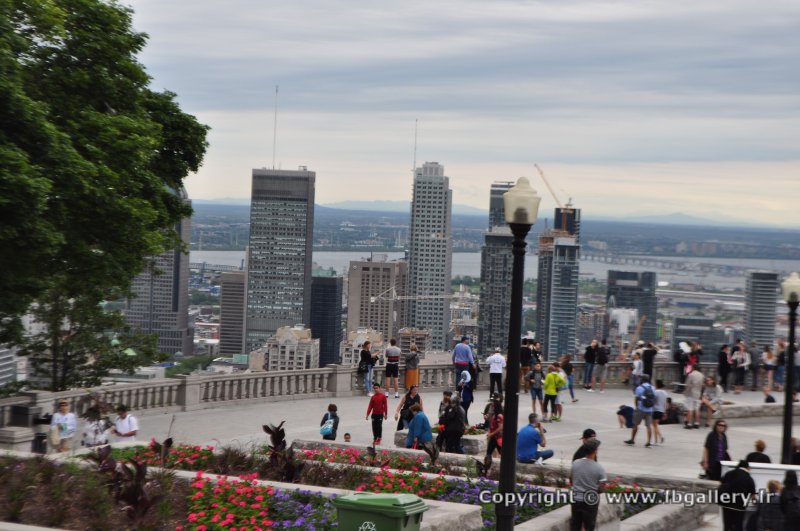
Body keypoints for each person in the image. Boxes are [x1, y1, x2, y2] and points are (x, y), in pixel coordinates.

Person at [570, 439, 606, 531]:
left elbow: (572, 479)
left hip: (576, 498)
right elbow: (602, 486)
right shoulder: (599, 468)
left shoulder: (575, 463)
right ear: (595, 451)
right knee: (589, 525)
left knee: (575, 524)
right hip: (590, 500)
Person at [719, 460, 756, 531]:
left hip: (726, 503)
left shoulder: (728, 473)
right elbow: (753, 496)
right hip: (739, 506)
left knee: (727, 525)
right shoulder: (748, 478)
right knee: (738, 525)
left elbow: (721, 485)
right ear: (747, 468)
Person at [624, 375, 655, 447]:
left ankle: (632, 440)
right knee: (648, 426)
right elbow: (654, 398)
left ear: (642, 380)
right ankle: (648, 442)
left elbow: (636, 398)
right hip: (650, 409)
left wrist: (636, 407)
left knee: (635, 424)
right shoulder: (652, 388)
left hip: (641, 408)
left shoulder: (639, 388)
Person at [684, 364, 704, 429]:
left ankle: (689, 424)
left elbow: (687, 384)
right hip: (698, 393)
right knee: (697, 409)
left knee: (690, 409)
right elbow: (702, 385)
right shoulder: (702, 375)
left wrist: (686, 393)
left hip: (691, 393)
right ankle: (697, 423)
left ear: (693, 368)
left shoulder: (691, 375)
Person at [652, 379, 668, 444]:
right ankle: (656, 441)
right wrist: (665, 412)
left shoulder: (655, 392)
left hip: (655, 410)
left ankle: (660, 437)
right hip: (661, 411)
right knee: (656, 425)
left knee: (654, 425)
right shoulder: (665, 393)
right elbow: (665, 403)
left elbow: (653, 401)